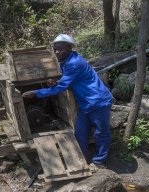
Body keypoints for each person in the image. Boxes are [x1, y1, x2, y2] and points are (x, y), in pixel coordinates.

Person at [22, 34, 112, 168]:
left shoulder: (74, 63)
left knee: (101, 133)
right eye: (55, 49)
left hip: (98, 101)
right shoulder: (66, 61)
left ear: (70, 47)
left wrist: (36, 93)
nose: (57, 52)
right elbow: (69, 82)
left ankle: (100, 161)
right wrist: (57, 82)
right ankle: (81, 160)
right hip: (86, 103)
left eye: (61, 49)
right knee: (80, 133)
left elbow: (61, 88)